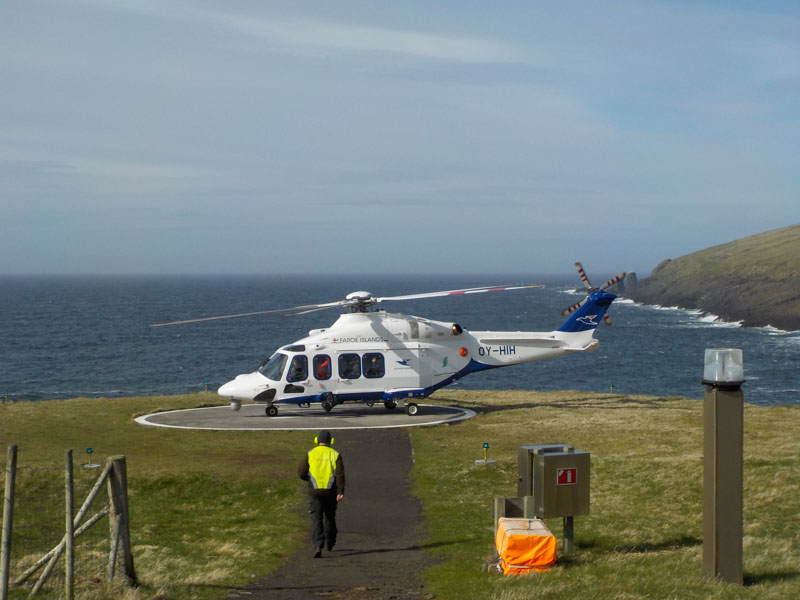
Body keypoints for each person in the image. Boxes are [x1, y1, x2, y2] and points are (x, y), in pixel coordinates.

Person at [297, 430, 345, 557]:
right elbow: (340, 474)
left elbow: (301, 472)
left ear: (316, 440)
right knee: (330, 517)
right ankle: (330, 542)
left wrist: (310, 480)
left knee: (316, 519)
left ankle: (318, 546)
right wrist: (340, 491)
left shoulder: (311, 453)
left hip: (315, 491)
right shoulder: (335, 454)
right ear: (331, 441)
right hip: (330, 491)